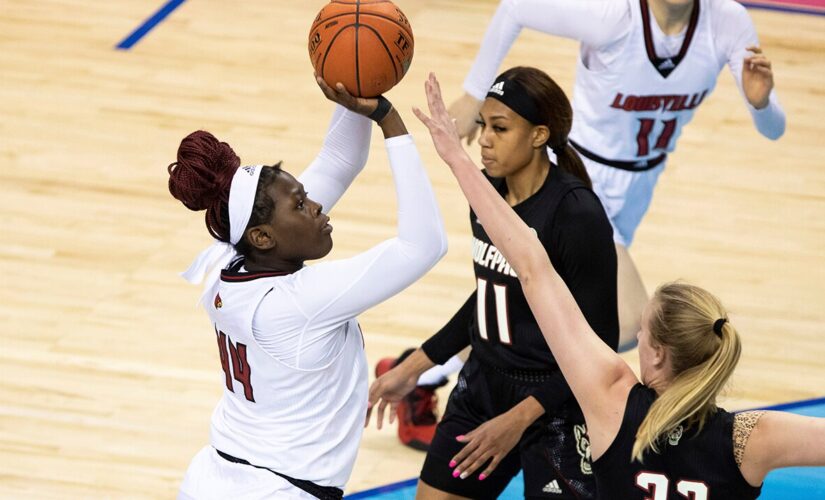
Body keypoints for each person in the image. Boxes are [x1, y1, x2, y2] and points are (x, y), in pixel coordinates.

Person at [415, 72, 825, 500]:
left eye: (643, 329)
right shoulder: (752, 438)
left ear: (659, 352)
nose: (637, 335)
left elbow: (533, 268)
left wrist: (455, 159)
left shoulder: (610, 400)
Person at [447, 0, 786, 350]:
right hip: (579, 180)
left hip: (641, 183)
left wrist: (760, 104)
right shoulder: (613, 16)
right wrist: (475, 93)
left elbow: (774, 129)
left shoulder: (727, 21)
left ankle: (430, 376)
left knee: (542, 299)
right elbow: (516, 8)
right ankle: (537, 391)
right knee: (625, 324)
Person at [170, 78, 447, 500]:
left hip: (219, 476)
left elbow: (338, 159)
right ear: (263, 236)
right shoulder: (299, 303)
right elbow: (423, 246)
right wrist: (389, 120)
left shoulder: (231, 256)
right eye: (300, 205)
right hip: (277, 490)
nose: (316, 206)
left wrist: (355, 85)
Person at [369, 67, 618, 499]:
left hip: (557, 398)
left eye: (500, 128)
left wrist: (520, 419)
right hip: (484, 382)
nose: (484, 138)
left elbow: (604, 341)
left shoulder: (575, 214)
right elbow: (489, 294)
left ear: (539, 135)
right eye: (483, 124)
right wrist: (413, 368)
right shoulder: (487, 193)